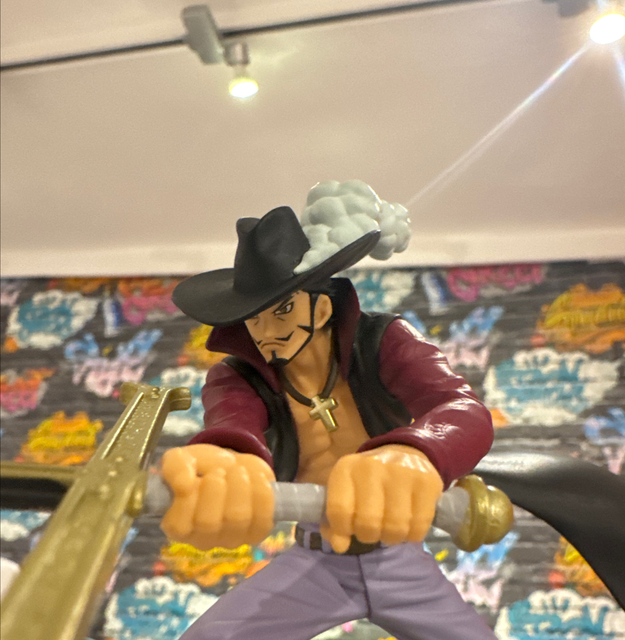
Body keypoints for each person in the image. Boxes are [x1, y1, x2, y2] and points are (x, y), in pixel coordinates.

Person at [161, 182, 500, 639]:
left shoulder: (384, 341)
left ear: (320, 310)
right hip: (315, 560)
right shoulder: (238, 376)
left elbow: (460, 406)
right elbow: (232, 427)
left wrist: (416, 452)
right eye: (254, 318)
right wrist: (227, 465)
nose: (266, 331)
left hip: (398, 557)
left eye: (282, 310)